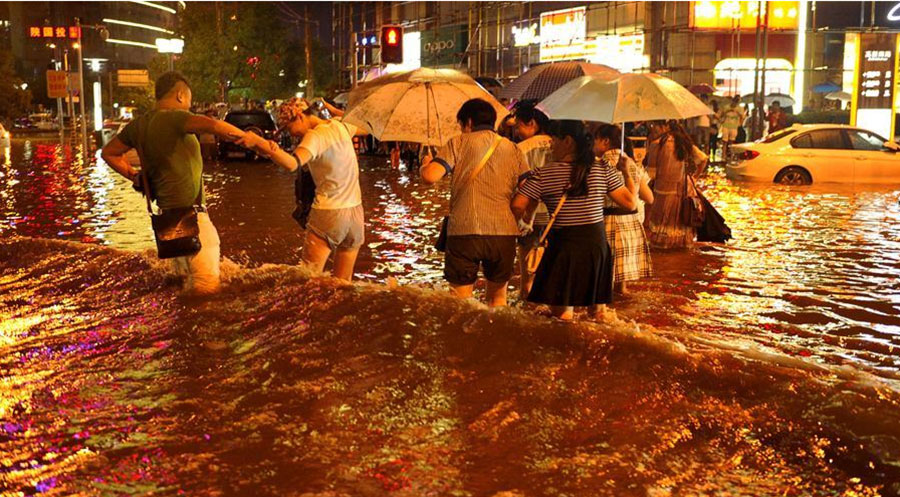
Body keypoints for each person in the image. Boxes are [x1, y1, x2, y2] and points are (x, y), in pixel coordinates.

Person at [101, 71, 253, 295]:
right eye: (189, 98)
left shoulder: (139, 125)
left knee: (183, 289)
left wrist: (135, 176)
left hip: (169, 227)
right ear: (181, 94)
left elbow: (109, 153)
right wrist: (252, 139)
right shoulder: (176, 117)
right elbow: (211, 125)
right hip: (194, 222)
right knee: (207, 293)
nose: (189, 103)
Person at [511, 120, 636, 321]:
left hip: (564, 249)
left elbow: (517, 205)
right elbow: (630, 203)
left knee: (562, 316)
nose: (551, 146)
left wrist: (525, 221)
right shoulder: (602, 169)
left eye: (554, 141)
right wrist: (626, 172)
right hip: (597, 248)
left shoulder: (544, 173)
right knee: (598, 315)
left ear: (568, 141)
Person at [238, 97, 369, 281]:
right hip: (355, 215)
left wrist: (258, 143)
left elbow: (292, 164)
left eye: (288, 128)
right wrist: (333, 110)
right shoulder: (340, 125)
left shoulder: (315, 135)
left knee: (307, 281)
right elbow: (367, 127)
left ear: (299, 116)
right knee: (343, 284)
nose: (291, 134)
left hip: (329, 213)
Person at [419, 98, 530, 307]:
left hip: (464, 231)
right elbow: (528, 188)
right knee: (498, 300)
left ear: (468, 122)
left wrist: (425, 165)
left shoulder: (458, 142)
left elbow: (431, 177)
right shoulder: (513, 148)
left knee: (460, 303)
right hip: (503, 233)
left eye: (461, 125)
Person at [593, 124, 653, 294]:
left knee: (604, 285)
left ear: (605, 141)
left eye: (595, 140)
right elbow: (648, 198)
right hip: (631, 224)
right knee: (622, 286)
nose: (593, 145)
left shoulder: (600, 164)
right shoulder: (632, 164)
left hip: (608, 223)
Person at [646, 120, 709, 249]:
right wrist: (695, 177)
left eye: (655, 126)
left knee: (662, 227)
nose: (654, 129)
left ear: (665, 127)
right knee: (681, 224)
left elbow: (651, 174)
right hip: (684, 190)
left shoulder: (656, 145)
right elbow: (703, 159)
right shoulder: (684, 143)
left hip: (663, 191)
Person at [512, 102, 553, 298]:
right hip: (555, 217)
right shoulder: (559, 145)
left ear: (532, 123)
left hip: (528, 217)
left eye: (518, 125)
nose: (516, 131)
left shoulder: (519, 149)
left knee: (526, 276)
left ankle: (526, 308)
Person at [718, 95, 745, 160]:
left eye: (737, 101)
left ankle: (731, 156)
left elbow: (742, 117)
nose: (736, 102)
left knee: (731, 142)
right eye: (735, 100)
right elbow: (721, 115)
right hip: (726, 125)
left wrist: (740, 123)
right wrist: (727, 112)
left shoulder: (740, 108)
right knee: (725, 141)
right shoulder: (726, 107)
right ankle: (723, 156)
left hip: (734, 127)